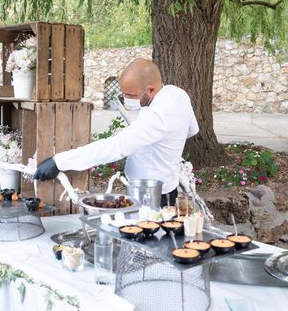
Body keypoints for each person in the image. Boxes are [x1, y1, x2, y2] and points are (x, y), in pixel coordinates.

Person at [34, 59, 199, 207]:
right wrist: (162, 142)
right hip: (167, 185)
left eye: (131, 95)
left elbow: (115, 147)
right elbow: (192, 129)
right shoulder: (177, 94)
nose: (125, 100)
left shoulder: (156, 116)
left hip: (151, 195)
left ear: (150, 90)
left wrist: (59, 161)